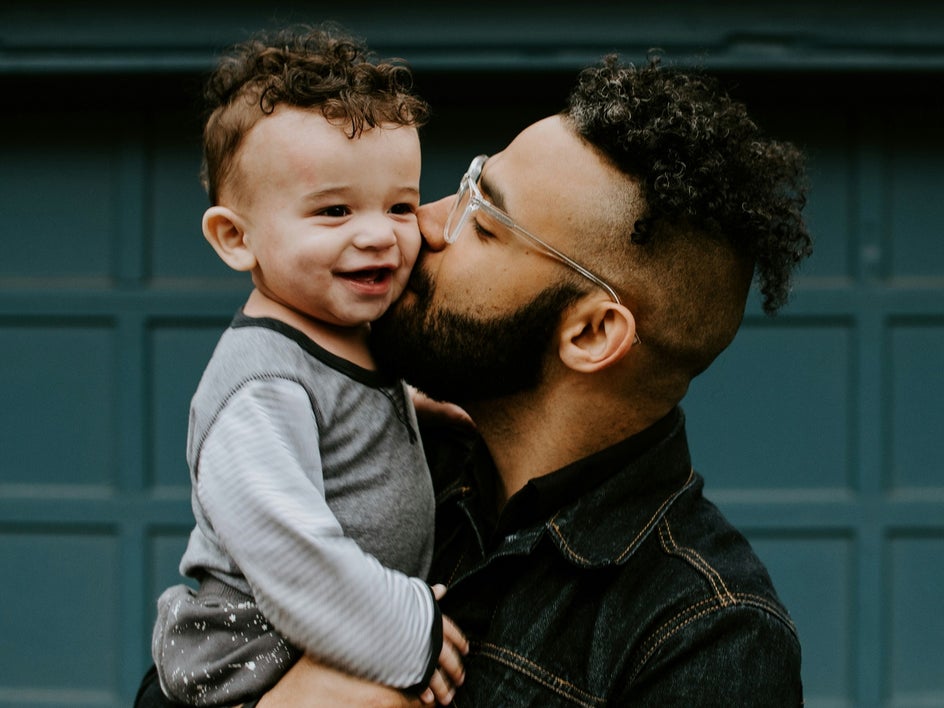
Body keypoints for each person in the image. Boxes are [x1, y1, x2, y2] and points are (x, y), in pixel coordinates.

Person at [139, 52, 812, 706]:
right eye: (463, 183)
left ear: (590, 334)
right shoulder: (393, 454)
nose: (421, 224)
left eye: (482, 220)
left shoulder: (704, 633)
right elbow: (182, 671)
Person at [144, 25, 466, 708]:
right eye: (334, 210)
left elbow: (345, 409)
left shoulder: (348, 332)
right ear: (237, 238)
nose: (379, 232)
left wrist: (415, 407)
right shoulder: (261, 386)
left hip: (316, 635)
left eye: (400, 206)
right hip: (248, 654)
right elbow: (292, 551)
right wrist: (411, 631)